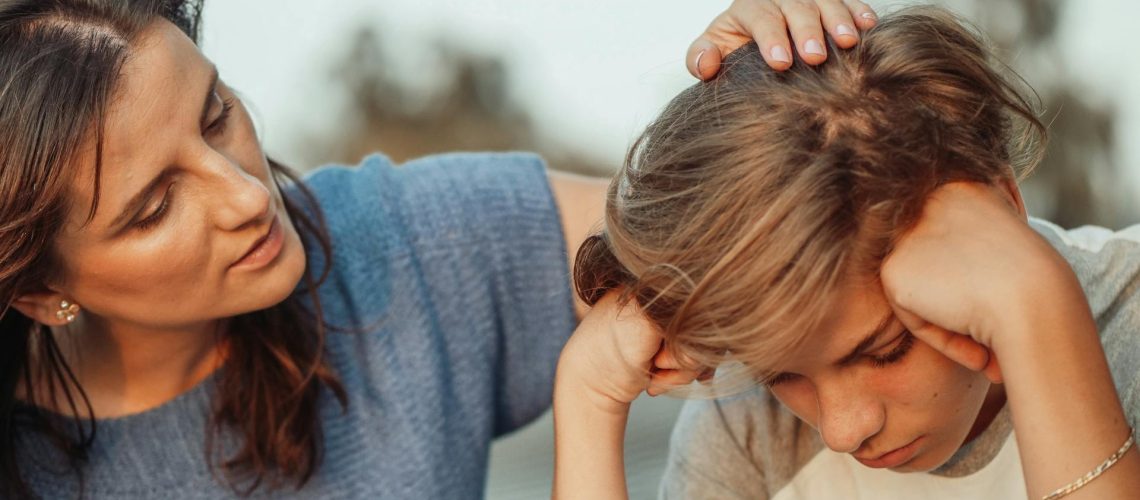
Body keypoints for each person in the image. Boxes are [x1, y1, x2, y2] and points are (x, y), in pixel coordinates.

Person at [0, 0, 877, 498]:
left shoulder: (405, 239)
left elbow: (732, 228)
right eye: (154, 206)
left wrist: (771, 104)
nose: (246, 194)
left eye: (216, 114)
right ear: (41, 291)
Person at [555, 5, 1140, 500]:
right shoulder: (749, 430)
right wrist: (588, 400)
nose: (842, 428)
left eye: (886, 351)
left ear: (1004, 209)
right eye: (780, 373)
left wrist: (1037, 311)